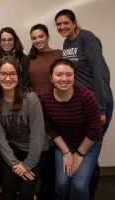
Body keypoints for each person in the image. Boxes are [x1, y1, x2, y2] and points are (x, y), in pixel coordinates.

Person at [55, 9, 113, 199]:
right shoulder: (67, 42)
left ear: (74, 23)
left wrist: (101, 107)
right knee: (84, 148)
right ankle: (81, 188)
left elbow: (100, 73)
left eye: (65, 23)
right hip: (82, 104)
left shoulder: (87, 38)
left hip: (98, 102)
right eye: (58, 24)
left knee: (90, 151)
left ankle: (90, 190)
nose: (62, 27)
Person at [41, 58, 103, 200]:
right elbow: (49, 128)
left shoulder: (87, 97)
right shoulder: (45, 99)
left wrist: (79, 154)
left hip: (90, 143)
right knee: (61, 184)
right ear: (51, 77)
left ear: (74, 76)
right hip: (65, 143)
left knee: (79, 186)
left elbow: (96, 129)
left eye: (69, 74)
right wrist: (66, 152)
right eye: (59, 74)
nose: (64, 78)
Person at [0, 56, 48, 200]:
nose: (8, 78)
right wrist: (15, 164)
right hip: (13, 148)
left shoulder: (31, 98)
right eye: (3, 74)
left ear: (18, 76)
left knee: (25, 190)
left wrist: (27, 165)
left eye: (12, 74)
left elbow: (38, 135)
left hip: (35, 150)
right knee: (8, 187)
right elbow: (0, 138)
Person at [28, 23, 62, 200]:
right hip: (35, 110)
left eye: (41, 36)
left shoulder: (59, 54)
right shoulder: (29, 57)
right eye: (34, 38)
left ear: (47, 36)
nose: (37, 40)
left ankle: (50, 192)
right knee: (39, 150)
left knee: (52, 150)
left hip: (55, 108)